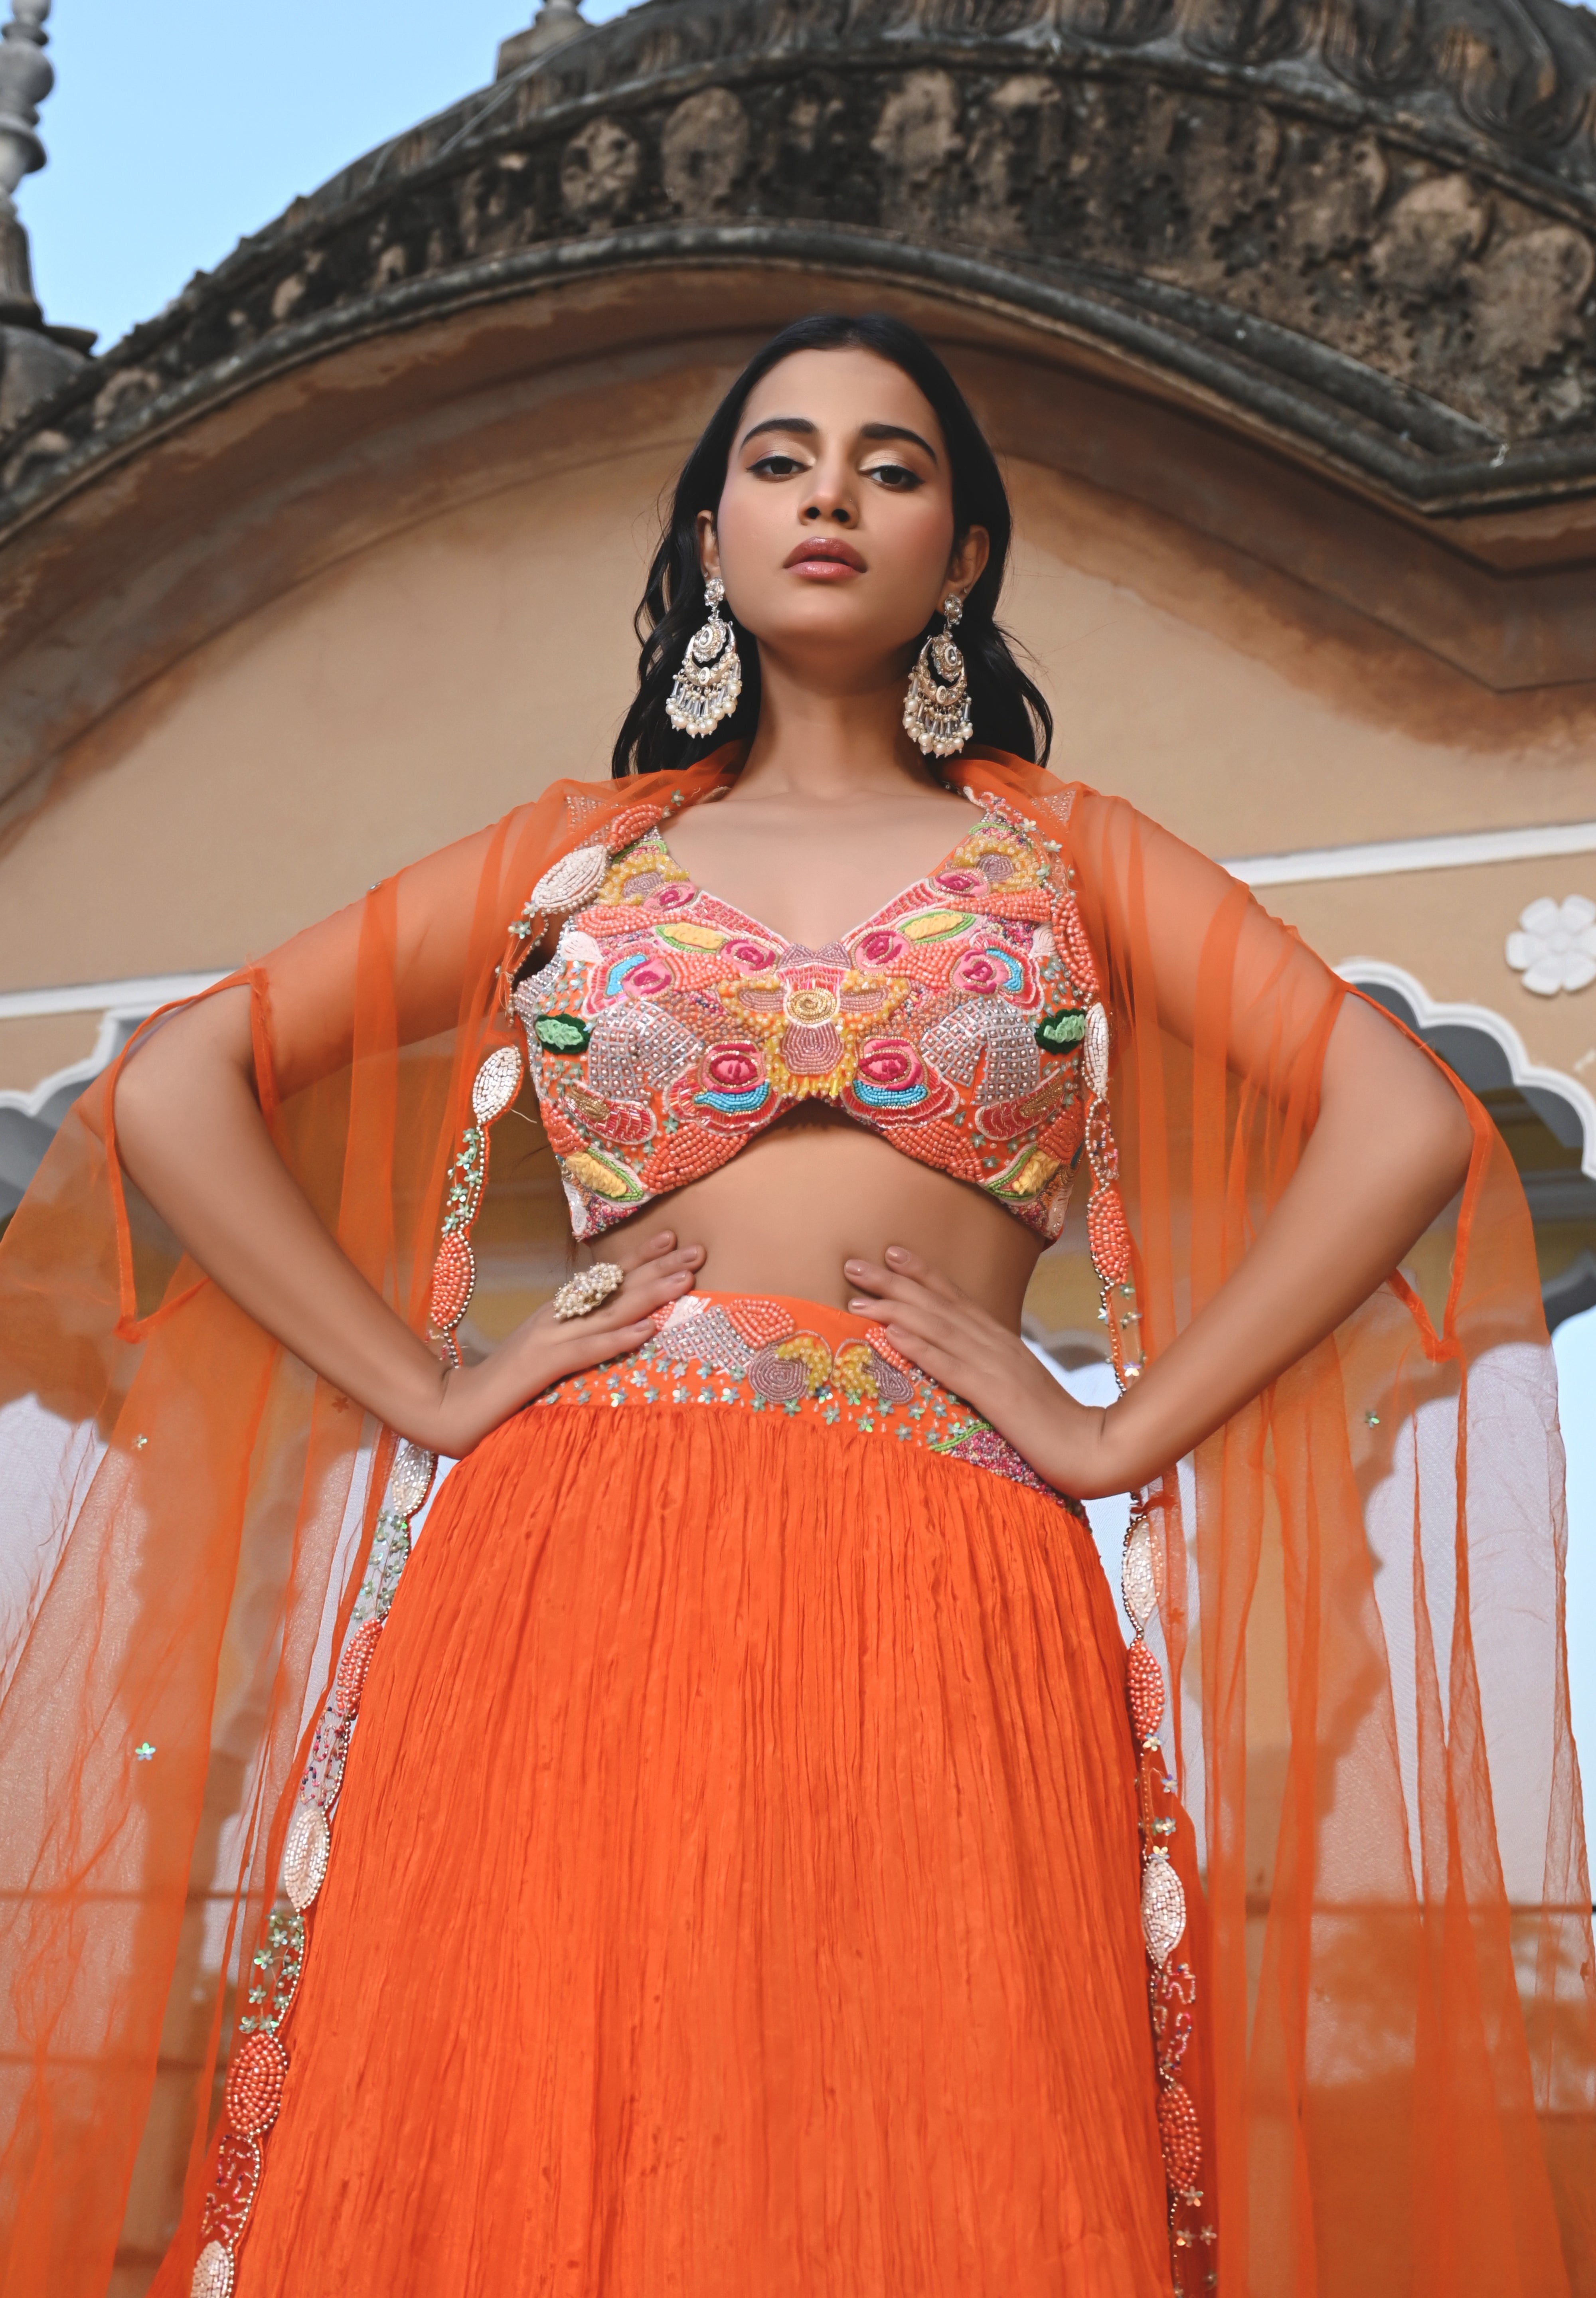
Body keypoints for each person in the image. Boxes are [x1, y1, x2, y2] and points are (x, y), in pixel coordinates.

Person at [0, 314, 1590, 2298]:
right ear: (710, 538)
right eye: (777, 460)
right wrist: (432, 1392)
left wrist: (1115, 1429)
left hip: (943, 1562)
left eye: (889, 465)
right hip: (573, 1560)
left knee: (915, 2144)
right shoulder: (576, 862)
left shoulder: (1064, 858)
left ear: (961, 556)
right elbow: (177, 1085)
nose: (828, 493)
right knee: (548, 2128)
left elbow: (1402, 1121)